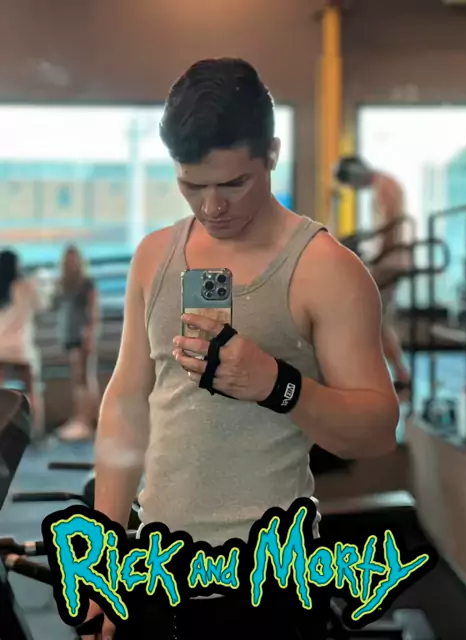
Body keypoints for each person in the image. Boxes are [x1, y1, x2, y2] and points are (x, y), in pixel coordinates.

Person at [85, 59, 399, 640]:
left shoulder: (326, 270)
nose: (212, 207)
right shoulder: (154, 257)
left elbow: (378, 432)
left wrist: (278, 385)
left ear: (272, 154)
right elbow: (127, 403)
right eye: (191, 185)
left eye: (233, 184)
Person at [334, 155, 412, 391]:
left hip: (391, 261)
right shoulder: (382, 186)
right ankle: (399, 374)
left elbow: (390, 230)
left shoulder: (385, 187)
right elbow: (384, 229)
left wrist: (375, 259)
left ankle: (389, 374)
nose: (354, 189)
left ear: (356, 173)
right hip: (389, 259)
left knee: (365, 316)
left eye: (351, 183)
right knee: (377, 321)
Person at [0, 249, 49, 438]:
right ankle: (36, 431)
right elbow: (42, 306)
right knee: (32, 391)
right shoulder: (27, 287)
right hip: (22, 349)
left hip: (1, 348)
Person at [53, 245, 99, 441]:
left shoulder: (85, 283)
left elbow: (93, 310)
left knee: (83, 378)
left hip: (82, 335)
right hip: (69, 334)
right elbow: (55, 306)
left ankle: (85, 420)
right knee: (78, 378)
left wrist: (90, 334)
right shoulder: (63, 284)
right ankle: (81, 418)